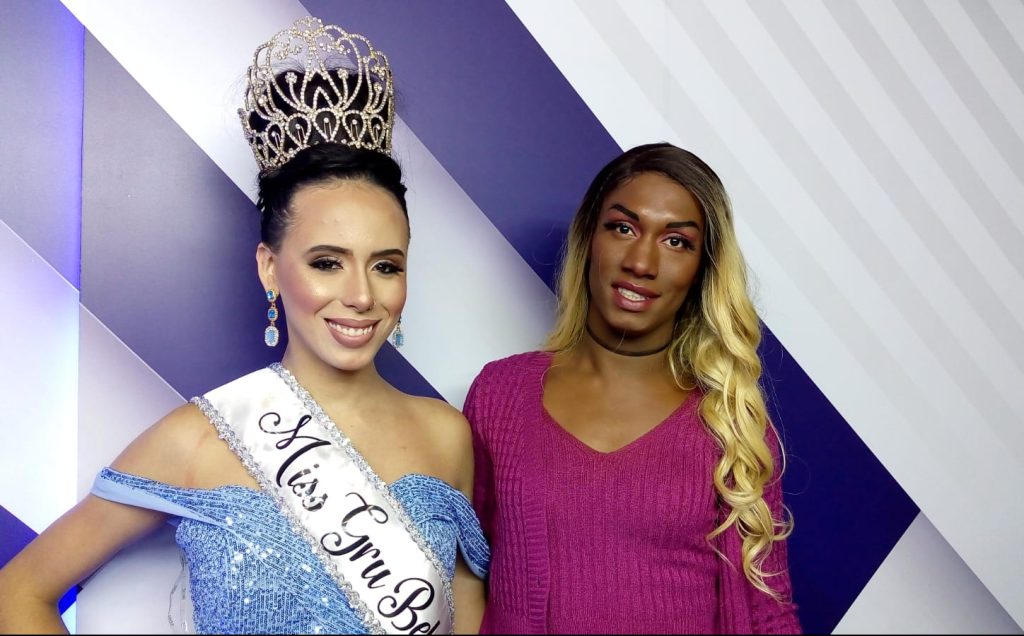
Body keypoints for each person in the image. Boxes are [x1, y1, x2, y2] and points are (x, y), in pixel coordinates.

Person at [0, 17, 488, 635]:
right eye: (327, 262)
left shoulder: (446, 436)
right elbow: (20, 592)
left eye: (385, 266)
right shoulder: (198, 438)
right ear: (270, 267)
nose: (362, 295)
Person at [464, 143, 800, 634]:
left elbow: (768, 614)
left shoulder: (730, 425)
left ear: (702, 270)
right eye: (623, 228)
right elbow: (465, 571)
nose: (642, 262)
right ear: (589, 238)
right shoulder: (501, 395)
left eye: (677, 242)